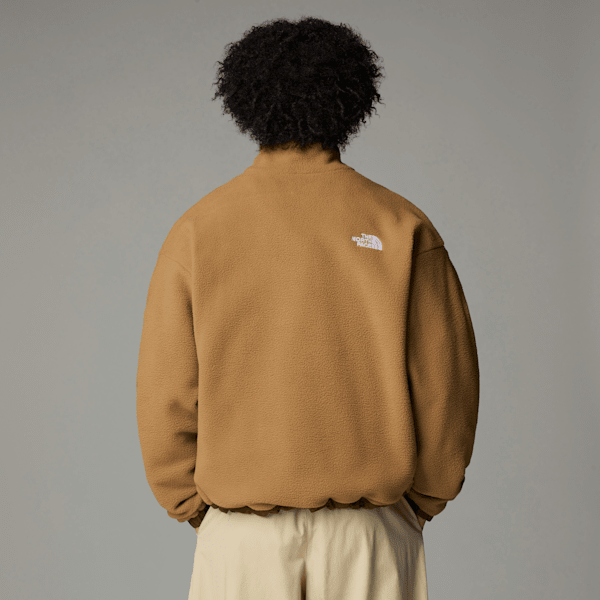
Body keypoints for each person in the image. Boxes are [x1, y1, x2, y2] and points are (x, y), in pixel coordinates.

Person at [136, 15, 479, 600]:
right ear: (353, 98)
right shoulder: (400, 225)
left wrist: (194, 507)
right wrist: (418, 503)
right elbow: (446, 388)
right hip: (370, 533)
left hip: (240, 539)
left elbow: (166, 391)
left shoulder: (198, 231)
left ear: (245, 101)